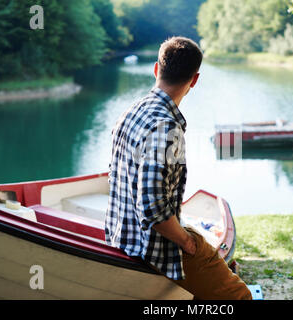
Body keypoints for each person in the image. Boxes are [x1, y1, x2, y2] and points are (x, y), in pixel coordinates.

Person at [105, 36, 252, 300]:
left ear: (155, 69)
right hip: (153, 248)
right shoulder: (167, 128)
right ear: (194, 80)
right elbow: (153, 210)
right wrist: (186, 242)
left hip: (121, 236)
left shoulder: (131, 111)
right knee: (239, 296)